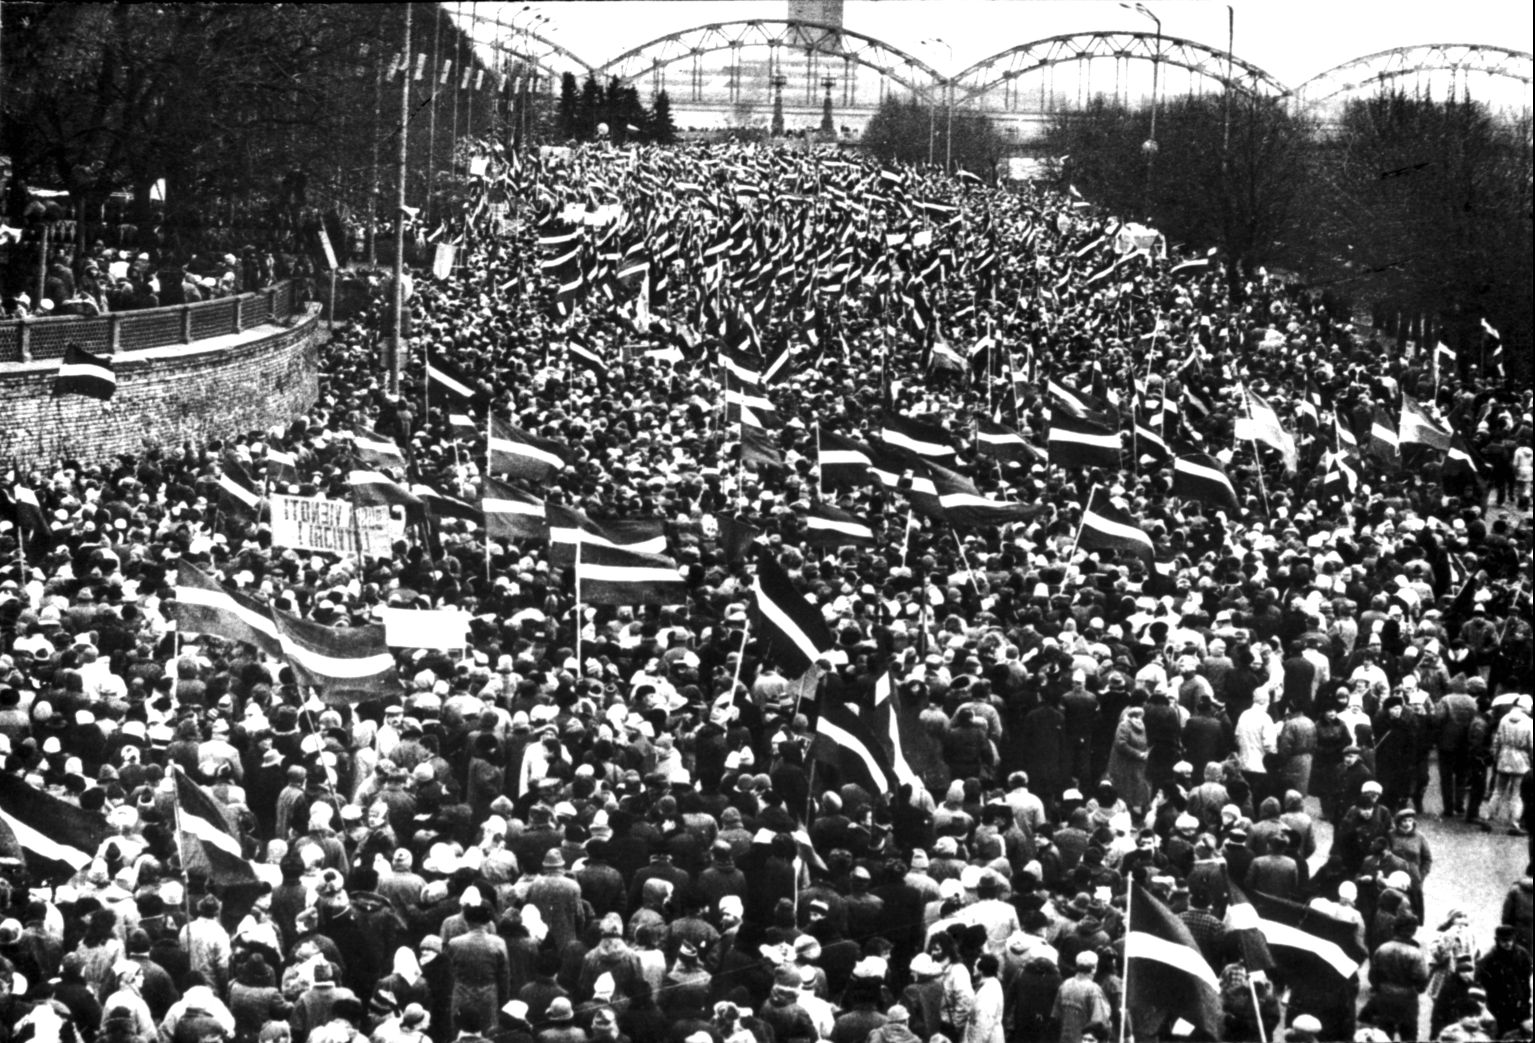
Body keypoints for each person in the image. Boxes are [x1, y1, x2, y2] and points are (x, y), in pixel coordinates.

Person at [1049, 951, 1112, 1043]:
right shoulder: (1093, 990)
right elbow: (1099, 1023)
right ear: (1094, 969)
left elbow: (1056, 1016)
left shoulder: (1065, 985)